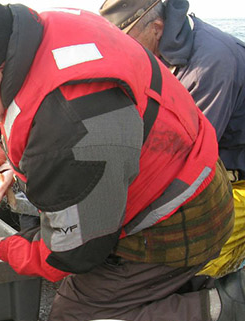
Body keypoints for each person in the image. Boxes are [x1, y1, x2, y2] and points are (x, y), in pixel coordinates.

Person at [0, 0, 244, 321]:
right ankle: (175, 294)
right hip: (181, 175)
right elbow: (24, 102)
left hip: (178, 220)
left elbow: (74, 254)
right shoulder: (41, 30)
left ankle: (224, 314)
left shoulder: (70, 124)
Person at [100, 0, 245, 278]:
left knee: (193, 274)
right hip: (207, 171)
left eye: (125, 41)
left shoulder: (211, 66)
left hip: (232, 186)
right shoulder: (157, 53)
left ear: (157, 28)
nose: (120, 52)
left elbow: (186, 159)